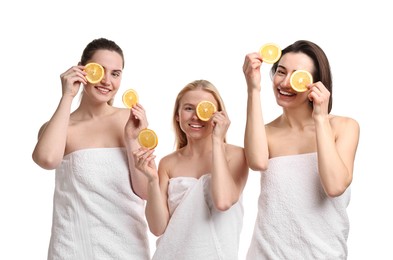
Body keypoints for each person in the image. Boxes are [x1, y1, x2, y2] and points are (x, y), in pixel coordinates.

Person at [32, 38, 150, 260]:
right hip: (73, 247)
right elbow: (47, 159)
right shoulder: (61, 127)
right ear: (81, 69)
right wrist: (67, 95)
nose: (107, 81)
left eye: (115, 73)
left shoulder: (129, 120)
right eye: (99, 70)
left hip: (128, 247)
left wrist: (132, 140)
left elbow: (145, 191)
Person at [243, 40, 360, 259]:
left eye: (297, 76)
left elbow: (334, 186)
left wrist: (320, 118)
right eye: (280, 72)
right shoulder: (266, 132)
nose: (285, 83)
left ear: (316, 84)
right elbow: (256, 162)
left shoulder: (343, 127)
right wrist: (253, 89)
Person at [133, 79, 249, 260]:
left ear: (219, 116)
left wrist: (217, 140)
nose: (196, 116)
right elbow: (157, 228)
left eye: (205, 109)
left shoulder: (236, 156)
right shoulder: (167, 163)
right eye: (188, 108)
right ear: (177, 115)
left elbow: (223, 201)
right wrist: (152, 181)